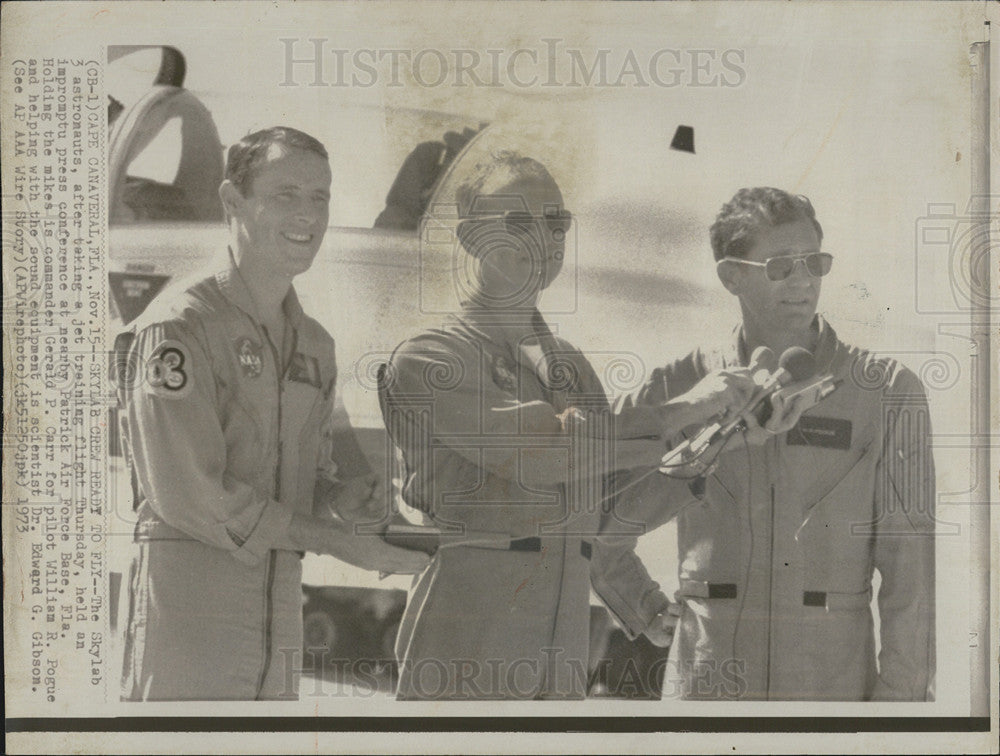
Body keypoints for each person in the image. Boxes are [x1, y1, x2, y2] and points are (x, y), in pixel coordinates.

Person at [379, 154, 802, 700]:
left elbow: (605, 513)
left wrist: (722, 440)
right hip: (466, 646)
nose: (543, 240)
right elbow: (542, 455)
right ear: (471, 237)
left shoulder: (571, 371)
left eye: (556, 224)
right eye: (519, 223)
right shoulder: (430, 358)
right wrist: (683, 408)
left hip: (561, 660)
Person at [116, 126, 430, 701]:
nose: (307, 214)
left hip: (279, 621)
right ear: (232, 202)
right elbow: (189, 494)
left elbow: (312, 475)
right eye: (285, 194)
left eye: (320, 197)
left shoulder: (313, 344)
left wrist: (345, 500)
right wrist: (339, 542)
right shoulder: (180, 327)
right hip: (189, 621)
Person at [594, 187, 936, 701]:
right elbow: (598, 519)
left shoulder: (886, 390)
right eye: (780, 266)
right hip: (707, 685)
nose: (802, 281)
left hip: (832, 689)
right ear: (731, 276)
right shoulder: (681, 386)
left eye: (814, 263)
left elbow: (911, 575)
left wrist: (898, 704)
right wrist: (639, 603)